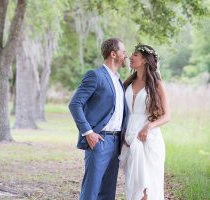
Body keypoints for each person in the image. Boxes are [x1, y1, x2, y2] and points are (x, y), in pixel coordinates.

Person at [69, 38, 128, 200]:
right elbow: (75, 104)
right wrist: (88, 132)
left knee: (108, 193)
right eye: (124, 52)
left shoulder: (118, 80)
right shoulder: (95, 75)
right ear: (113, 54)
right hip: (99, 140)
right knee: (91, 190)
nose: (126, 56)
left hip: (116, 142)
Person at [119, 44, 170, 200]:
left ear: (145, 60)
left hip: (149, 139)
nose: (130, 57)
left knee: (148, 187)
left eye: (135, 55)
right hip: (129, 138)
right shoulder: (127, 83)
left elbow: (167, 115)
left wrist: (149, 126)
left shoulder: (156, 84)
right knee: (133, 185)